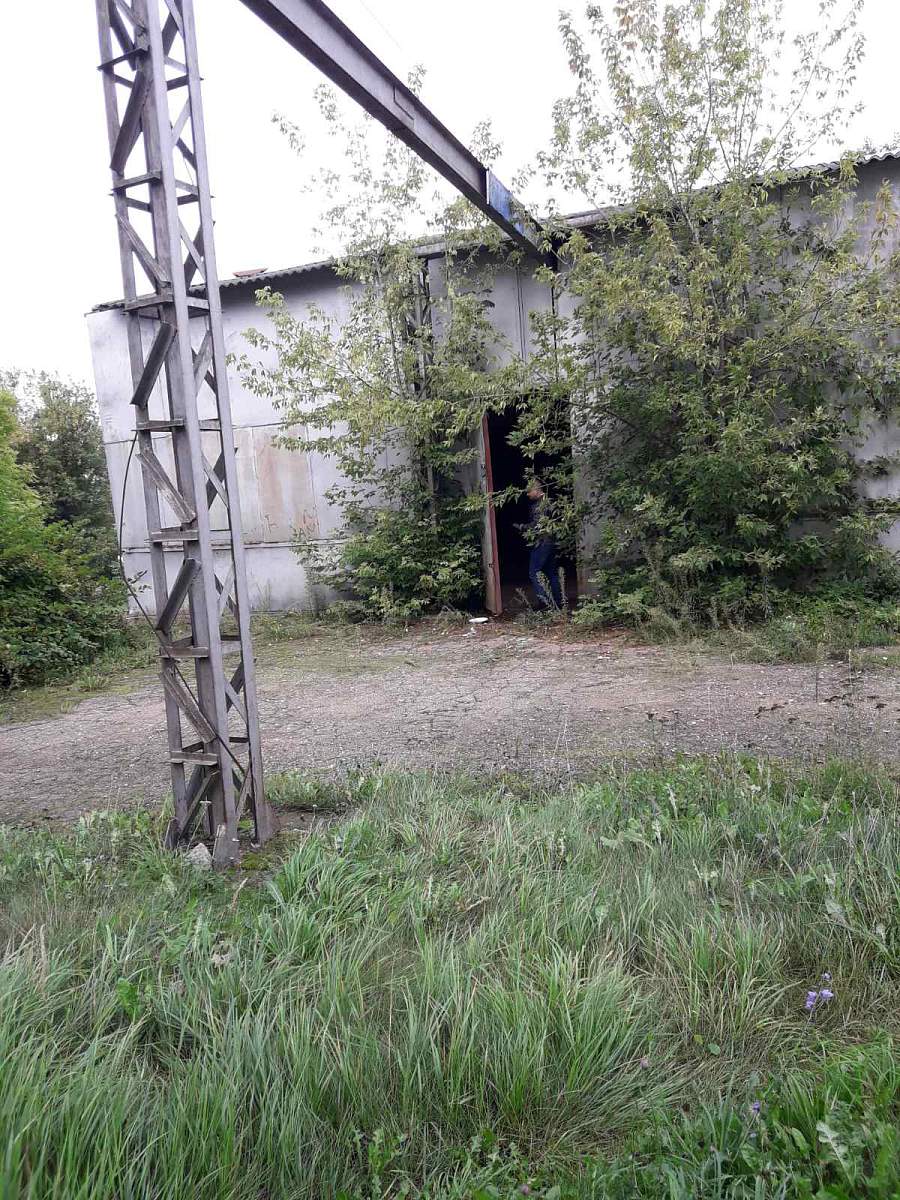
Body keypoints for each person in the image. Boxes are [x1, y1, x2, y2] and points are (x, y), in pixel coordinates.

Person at [525, 479, 563, 609]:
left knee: (534, 572)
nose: (528, 494)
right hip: (552, 541)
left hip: (542, 542)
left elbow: (536, 525)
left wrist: (522, 527)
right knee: (552, 573)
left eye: (529, 491)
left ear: (536, 490)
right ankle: (558, 602)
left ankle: (545, 604)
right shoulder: (551, 502)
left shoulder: (539, 506)